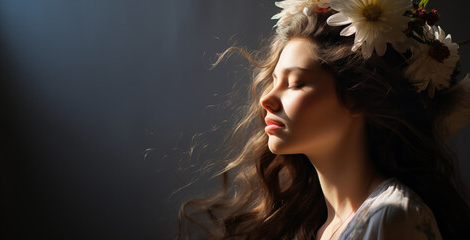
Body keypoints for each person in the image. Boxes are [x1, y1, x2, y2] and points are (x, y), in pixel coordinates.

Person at [178, 0, 470, 239]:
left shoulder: (392, 218)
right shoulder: (311, 225)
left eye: (295, 83)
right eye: (273, 80)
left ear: (357, 96)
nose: (266, 99)